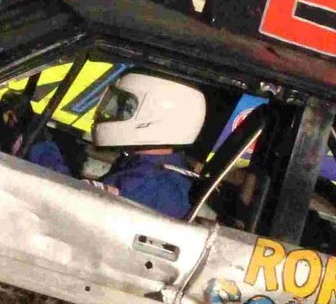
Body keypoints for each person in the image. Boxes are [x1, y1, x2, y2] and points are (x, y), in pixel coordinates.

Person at [26, 69, 206, 220]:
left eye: (126, 108)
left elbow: (70, 201)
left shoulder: (145, 184)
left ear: (152, 119)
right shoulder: (162, 171)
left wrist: (37, 143)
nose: (113, 112)